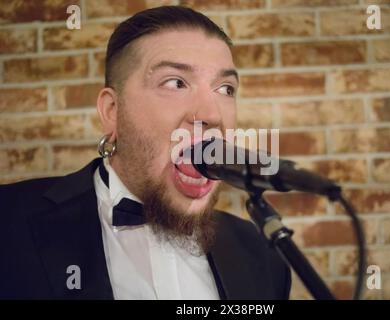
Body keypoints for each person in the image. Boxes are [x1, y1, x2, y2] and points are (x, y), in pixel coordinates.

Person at [0, 6, 291, 300]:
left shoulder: (263, 255)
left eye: (225, 89)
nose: (212, 114)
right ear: (113, 111)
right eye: (176, 82)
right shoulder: (9, 223)